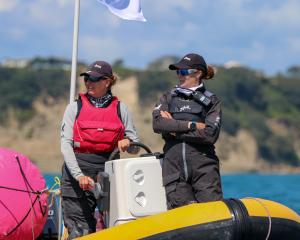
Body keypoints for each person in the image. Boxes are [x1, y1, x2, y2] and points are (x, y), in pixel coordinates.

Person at [60, 60, 139, 238]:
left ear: (107, 81)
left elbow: (135, 146)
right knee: (80, 232)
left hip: (110, 173)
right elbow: (66, 145)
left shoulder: (121, 109)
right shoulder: (74, 108)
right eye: (86, 79)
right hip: (78, 173)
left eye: (94, 79)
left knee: (116, 229)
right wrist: (79, 175)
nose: (89, 83)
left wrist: (128, 143)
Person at [152, 53, 223, 210]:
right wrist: (192, 125)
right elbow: (158, 124)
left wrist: (173, 129)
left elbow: (210, 135)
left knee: (212, 214)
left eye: (184, 72)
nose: (179, 75)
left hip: (204, 169)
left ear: (198, 73)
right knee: (181, 219)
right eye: (177, 72)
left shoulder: (212, 101)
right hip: (174, 171)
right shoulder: (167, 98)